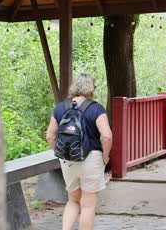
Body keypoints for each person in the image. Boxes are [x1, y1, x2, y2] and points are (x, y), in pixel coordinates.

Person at [46, 73, 112, 230]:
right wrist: (105, 156)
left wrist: (61, 155)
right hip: (91, 158)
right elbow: (107, 136)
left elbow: (50, 136)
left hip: (68, 160)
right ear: (90, 88)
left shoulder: (61, 107)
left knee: (73, 200)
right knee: (88, 205)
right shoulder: (96, 108)